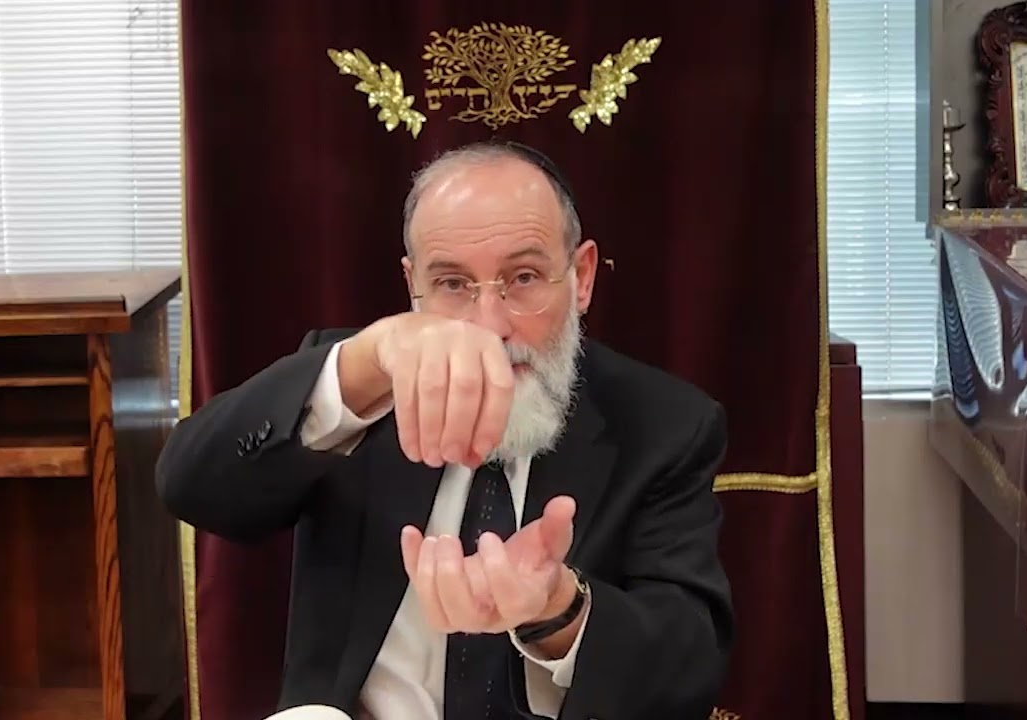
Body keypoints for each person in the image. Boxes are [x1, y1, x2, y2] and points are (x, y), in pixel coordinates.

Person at [156, 140, 735, 720]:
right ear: (413, 286)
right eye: (453, 284)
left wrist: (558, 609)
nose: (489, 326)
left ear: (581, 278)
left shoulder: (664, 423)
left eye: (524, 277)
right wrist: (362, 367)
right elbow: (190, 486)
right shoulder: (362, 380)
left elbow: (689, 668)